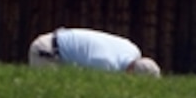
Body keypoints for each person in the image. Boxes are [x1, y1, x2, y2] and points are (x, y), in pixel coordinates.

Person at [28, 28, 162, 76]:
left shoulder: (133, 49)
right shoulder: (106, 65)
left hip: (57, 40)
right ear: (131, 73)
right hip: (46, 51)